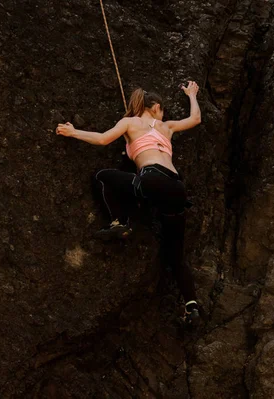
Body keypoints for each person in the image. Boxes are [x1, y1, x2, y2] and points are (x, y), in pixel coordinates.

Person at [55, 81, 201, 323]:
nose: (162, 113)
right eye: (162, 109)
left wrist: (73, 132)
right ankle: (192, 306)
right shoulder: (167, 126)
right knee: (175, 255)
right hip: (176, 188)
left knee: (102, 177)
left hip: (152, 180)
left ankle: (119, 221)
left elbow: (103, 140)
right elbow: (195, 119)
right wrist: (192, 95)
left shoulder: (130, 122)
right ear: (155, 107)